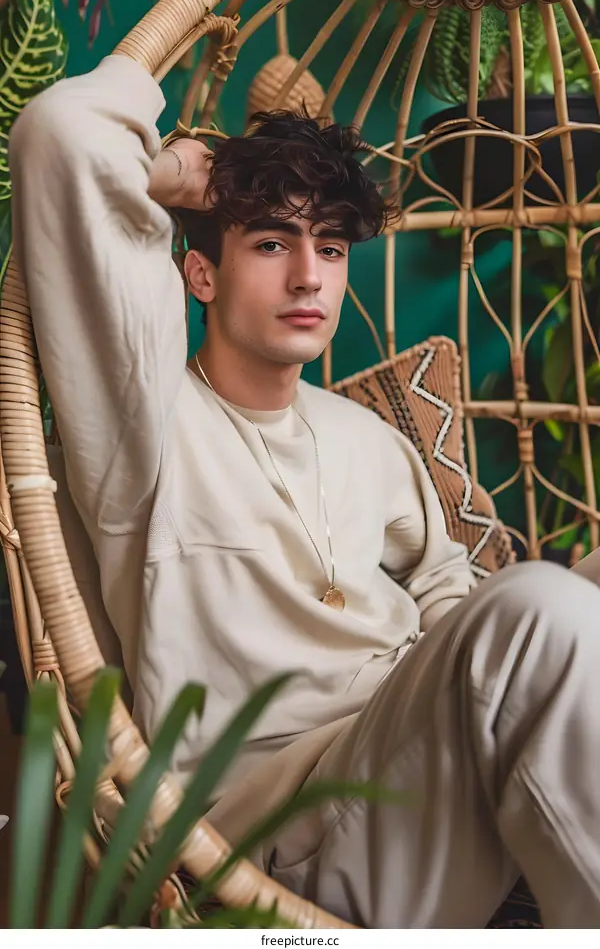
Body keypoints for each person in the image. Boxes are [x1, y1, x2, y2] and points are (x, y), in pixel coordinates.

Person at [9, 54, 600, 929]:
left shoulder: (371, 440)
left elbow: (446, 583)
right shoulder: (143, 424)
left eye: (329, 247)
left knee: (559, 601)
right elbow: (60, 134)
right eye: (272, 242)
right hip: (288, 826)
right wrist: (206, 174)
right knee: (541, 611)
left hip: (428, 757)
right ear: (201, 273)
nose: (309, 277)